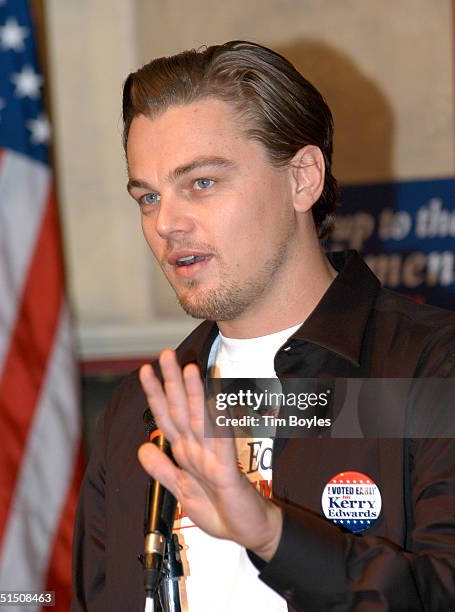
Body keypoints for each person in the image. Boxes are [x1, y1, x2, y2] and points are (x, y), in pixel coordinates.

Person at [71, 41, 455, 611]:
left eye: (201, 182)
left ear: (303, 177)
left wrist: (271, 534)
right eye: (147, 197)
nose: (166, 224)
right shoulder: (139, 410)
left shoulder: (430, 369)